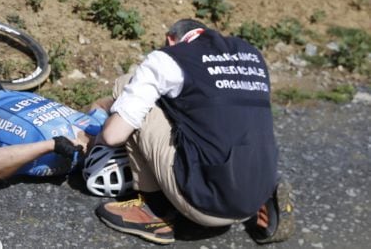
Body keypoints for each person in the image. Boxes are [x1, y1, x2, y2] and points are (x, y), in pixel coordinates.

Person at [94, 19, 295, 245]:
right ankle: (262, 195)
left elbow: (113, 136)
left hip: (206, 205)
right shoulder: (251, 55)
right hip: (258, 185)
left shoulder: (171, 57)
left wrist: (92, 140)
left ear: (171, 39)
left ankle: (154, 210)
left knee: (127, 84)